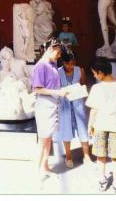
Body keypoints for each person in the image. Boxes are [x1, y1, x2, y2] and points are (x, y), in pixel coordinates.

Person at [86, 58, 116, 194]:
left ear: (100, 72)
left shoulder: (96, 88)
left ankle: (102, 181)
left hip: (100, 126)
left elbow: (93, 110)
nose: (94, 76)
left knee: (101, 156)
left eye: (94, 73)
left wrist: (90, 125)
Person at [31, 37, 68, 177]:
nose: (59, 56)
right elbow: (37, 89)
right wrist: (57, 92)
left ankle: (45, 166)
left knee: (48, 138)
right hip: (44, 105)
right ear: (50, 49)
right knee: (43, 139)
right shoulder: (40, 66)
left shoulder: (52, 63)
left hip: (53, 103)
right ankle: (36, 171)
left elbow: (53, 84)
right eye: (57, 53)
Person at [55, 53, 90, 168]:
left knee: (83, 129)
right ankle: (68, 156)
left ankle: (87, 155)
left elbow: (83, 84)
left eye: (72, 64)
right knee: (66, 129)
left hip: (78, 104)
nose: (70, 66)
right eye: (67, 64)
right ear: (63, 62)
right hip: (64, 105)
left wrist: (79, 91)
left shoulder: (80, 70)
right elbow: (55, 88)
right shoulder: (58, 72)